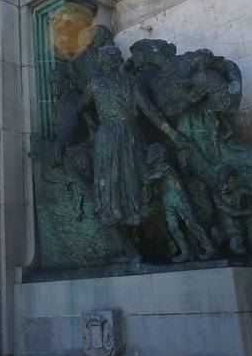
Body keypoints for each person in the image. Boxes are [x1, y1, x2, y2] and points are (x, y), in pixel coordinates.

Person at [78, 45, 186, 261]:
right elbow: (151, 113)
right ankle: (163, 244)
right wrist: (173, 135)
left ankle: (144, 246)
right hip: (127, 136)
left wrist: (93, 124)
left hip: (112, 137)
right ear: (113, 61)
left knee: (119, 192)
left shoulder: (97, 84)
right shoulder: (128, 82)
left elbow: (81, 107)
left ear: (102, 61)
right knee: (133, 188)